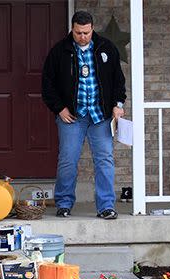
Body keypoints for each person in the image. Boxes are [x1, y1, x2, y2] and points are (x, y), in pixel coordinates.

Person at [42, 10, 126, 220]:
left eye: (86, 32)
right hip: (72, 116)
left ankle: (106, 206)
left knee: (105, 160)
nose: (83, 37)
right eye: (79, 33)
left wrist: (118, 105)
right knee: (68, 160)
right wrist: (59, 108)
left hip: (101, 116)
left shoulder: (107, 48)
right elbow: (47, 84)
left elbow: (118, 81)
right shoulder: (60, 51)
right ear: (72, 29)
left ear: (92, 28)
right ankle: (63, 203)